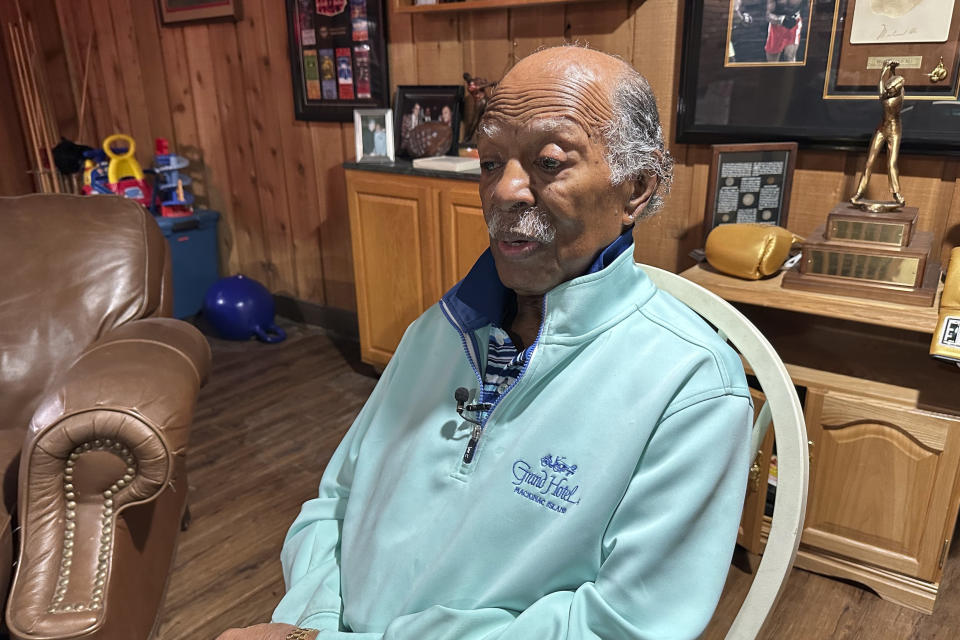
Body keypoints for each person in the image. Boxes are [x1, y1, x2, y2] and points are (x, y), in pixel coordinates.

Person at [217, 45, 752, 640]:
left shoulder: (690, 388)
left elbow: (622, 627)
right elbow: (334, 502)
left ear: (637, 190)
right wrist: (309, 626)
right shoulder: (438, 330)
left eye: (549, 161)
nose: (505, 191)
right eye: (491, 161)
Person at [851, 60, 905, 206]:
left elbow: (882, 89)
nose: (888, 91)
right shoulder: (895, 91)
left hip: (894, 132)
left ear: (897, 90)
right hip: (882, 129)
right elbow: (890, 84)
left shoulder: (892, 101)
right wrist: (891, 70)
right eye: (889, 90)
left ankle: (896, 194)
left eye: (891, 90)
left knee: (891, 163)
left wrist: (884, 70)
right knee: (869, 162)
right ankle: (859, 192)